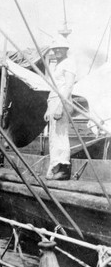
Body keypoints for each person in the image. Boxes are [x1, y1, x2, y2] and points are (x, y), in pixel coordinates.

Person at [43, 37, 77, 180]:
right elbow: (54, 88)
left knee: (61, 135)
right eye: (55, 48)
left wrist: (60, 107)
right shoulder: (57, 65)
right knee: (54, 137)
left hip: (61, 102)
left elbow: (68, 86)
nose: (57, 50)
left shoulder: (69, 63)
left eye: (60, 48)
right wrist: (48, 109)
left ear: (66, 49)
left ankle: (63, 168)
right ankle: (55, 166)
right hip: (53, 102)